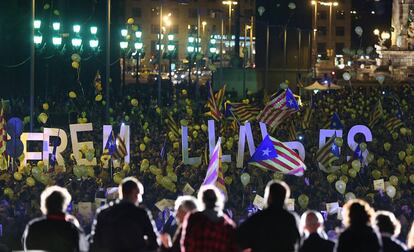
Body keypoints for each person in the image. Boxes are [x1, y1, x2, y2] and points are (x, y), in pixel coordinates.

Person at [89, 177, 159, 252]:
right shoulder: (140, 214)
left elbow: (94, 243)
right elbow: (154, 242)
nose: (140, 199)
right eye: (139, 194)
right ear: (134, 192)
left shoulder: (103, 213)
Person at [237, 180, 301, 252]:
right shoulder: (291, 219)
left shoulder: (259, 218)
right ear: (285, 198)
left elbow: (238, 239)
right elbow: (299, 243)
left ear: (269, 196)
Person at [22, 185, 87, 252]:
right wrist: (77, 226)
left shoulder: (34, 226)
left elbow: (27, 248)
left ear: (44, 205)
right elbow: (83, 248)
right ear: (64, 205)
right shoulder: (72, 228)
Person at [180, 185, 237, 252]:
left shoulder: (193, 219)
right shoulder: (228, 225)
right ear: (217, 200)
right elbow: (233, 248)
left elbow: (185, 243)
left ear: (202, 200)